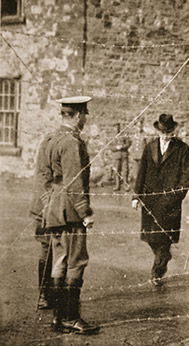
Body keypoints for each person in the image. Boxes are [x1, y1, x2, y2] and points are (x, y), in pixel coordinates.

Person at [42, 96, 99, 334]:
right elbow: (75, 183)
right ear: (76, 115)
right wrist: (85, 212)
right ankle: (70, 316)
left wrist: (49, 204)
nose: (85, 119)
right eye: (84, 115)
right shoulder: (72, 143)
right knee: (76, 262)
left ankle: (58, 317)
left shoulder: (51, 139)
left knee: (59, 261)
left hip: (55, 210)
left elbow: (44, 177)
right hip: (71, 213)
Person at [132, 114, 189, 288]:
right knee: (151, 237)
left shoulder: (182, 149)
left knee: (164, 238)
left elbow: (187, 176)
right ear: (158, 131)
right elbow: (141, 173)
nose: (167, 135)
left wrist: (175, 197)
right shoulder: (149, 147)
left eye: (169, 132)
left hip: (170, 202)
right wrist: (136, 196)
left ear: (173, 131)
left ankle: (157, 270)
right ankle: (163, 257)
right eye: (163, 132)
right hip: (150, 200)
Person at [29, 132, 57, 310]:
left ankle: (46, 294)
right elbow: (46, 183)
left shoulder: (47, 145)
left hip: (43, 207)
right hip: (45, 209)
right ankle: (45, 295)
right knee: (49, 250)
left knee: (48, 250)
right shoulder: (47, 168)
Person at [110, 122, 132, 191]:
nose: (117, 129)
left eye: (118, 127)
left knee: (125, 170)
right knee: (116, 171)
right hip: (116, 156)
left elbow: (129, 143)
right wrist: (116, 148)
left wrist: (122, 147)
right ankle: (117, 186)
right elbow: (110, 146)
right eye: (115, 127)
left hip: (124, 155)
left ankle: (125, 186)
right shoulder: (111, 136)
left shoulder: (124, 135)